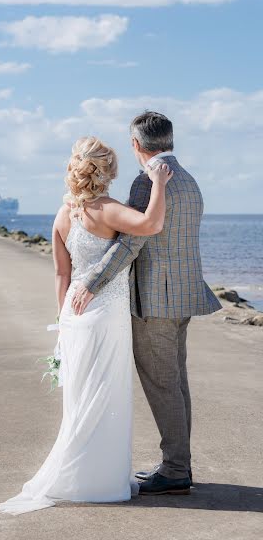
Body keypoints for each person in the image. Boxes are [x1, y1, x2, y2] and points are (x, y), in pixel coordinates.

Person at [0, 135, 173, 515]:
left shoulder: (63, 215)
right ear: (107, 172)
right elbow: (151, 224)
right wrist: (158, 182)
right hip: (106, 316)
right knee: (106, 395)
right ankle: (101, 480)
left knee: (80, 399)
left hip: (74, 316)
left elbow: (62, 275)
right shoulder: (108, 209)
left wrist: (64, 324)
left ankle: (81, 475)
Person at [71, 112, 222, 496]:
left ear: (136, 145)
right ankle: (178, 464)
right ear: (168, 140)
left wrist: (92, 281)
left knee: (163, 385)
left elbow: (129, 242)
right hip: (184, 295)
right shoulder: (187, 179)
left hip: (155, 300)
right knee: (176, 382)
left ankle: (174, 469)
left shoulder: (146, 182)